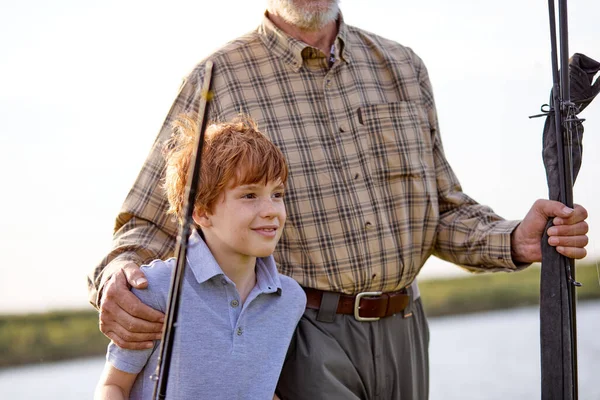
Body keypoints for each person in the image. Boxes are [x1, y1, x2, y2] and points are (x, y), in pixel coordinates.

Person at [89, 1, 590, 399]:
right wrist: (118, 277)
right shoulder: (217, 78)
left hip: (406, 329)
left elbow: (443, 210)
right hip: (301, 331)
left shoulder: (403, 67)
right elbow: (150, 221)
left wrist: (515, 238)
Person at [94, 115, 306, 399]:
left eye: (277, 194)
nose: (271, 210)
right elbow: (113, 386)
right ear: (202, 212)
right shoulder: (156, 288)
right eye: (250, 196)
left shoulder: (290, 300)